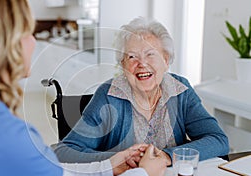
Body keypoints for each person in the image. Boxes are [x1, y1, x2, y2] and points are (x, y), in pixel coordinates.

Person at [0, 1, 167, 176]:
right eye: (27, 32)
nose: (34, 40)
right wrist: (144, 174)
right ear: (3, 44)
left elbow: (49, 172)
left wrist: (109, 166)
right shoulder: (0, 134)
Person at [54, 17, 230, 165]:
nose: (142, 63)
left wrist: (167, 156)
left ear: (166, 60)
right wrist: (117, 160)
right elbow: (64, 151)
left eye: (150, 54)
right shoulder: (109, 95)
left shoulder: (180, 90)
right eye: (132, 57)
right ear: (123, 65)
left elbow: (218, 140)